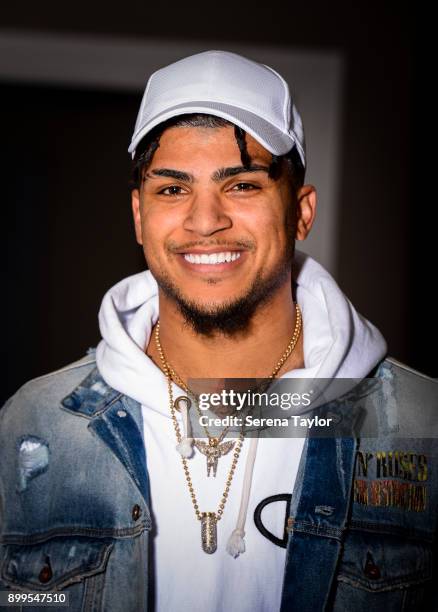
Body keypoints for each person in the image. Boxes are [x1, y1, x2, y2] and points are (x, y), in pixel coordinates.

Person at [0, 50, 436, 612]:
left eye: (243, 185)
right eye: (173, 189)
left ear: (301, 211)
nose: (205, 221)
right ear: (139, 215)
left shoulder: (418, 424)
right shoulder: (32, 428)